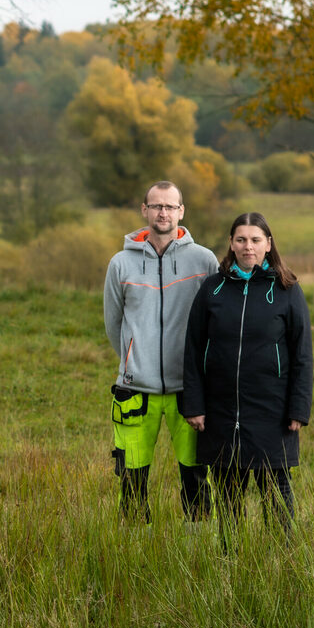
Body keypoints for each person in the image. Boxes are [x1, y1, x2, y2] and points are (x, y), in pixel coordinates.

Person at [181, 212, 313, 533]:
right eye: (241, 240)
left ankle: (280, 562)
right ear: (231, 244)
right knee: (229, 497)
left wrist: (298, 408)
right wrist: (194, 405)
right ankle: (232, 566)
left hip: (273, 411)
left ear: (268, 244)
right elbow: (193, 349)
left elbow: (302, 355)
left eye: (255, 240)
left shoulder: (287, 290)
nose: (248, 247)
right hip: (221, 412)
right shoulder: (212, 289)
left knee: (276, 494)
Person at [103, 181, 220, 521]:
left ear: (181, 212)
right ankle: (136, 553)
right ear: (145, 210)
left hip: (190, 391)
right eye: (156, 206)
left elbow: (215, 321)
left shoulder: (204, 260)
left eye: (170, 206)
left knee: (196, 479)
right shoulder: (120, 264)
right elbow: (114, 324)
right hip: (135, 393)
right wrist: (131, 360)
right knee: (131, 482)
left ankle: (199, 554)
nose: (163, 212)